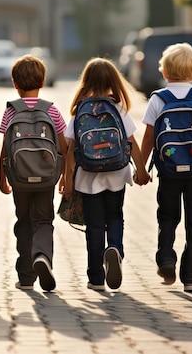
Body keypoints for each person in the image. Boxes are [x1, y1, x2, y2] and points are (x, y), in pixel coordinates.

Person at [140, 43, 192, 293]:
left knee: (167, 216)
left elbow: (149, 138)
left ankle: (166, 258)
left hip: (168, 170)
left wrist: (141, 168)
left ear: (164, 72)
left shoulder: (157, 99)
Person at [64, 57, 151, 291]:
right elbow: (132, 143)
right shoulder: (118, 109)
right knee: (115, 216)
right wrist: (141, 171)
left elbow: (70, 148)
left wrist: (66, 179)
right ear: (114, 81)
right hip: (117, 172)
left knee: (94, 226)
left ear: (86, 81)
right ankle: (114, 249)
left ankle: (95, 277)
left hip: (87, 176)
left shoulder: (79, 110)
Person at [0, 54, 67, 292]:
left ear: (15, 83)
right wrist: (66, 175)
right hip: (47, 177)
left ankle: (26, 277)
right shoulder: (52, 111)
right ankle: (43, 257)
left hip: (19, 178)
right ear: (43, 81)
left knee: (24, 221)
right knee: (44, 220)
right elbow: (63, 146)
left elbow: (6, 147)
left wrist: (1, 177)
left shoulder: (10, 111)